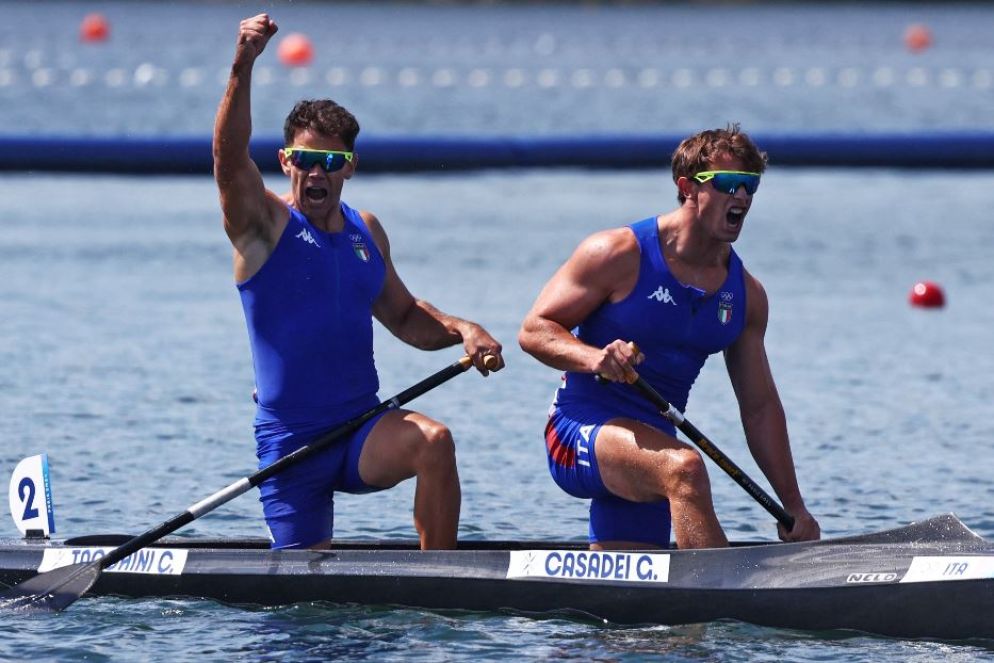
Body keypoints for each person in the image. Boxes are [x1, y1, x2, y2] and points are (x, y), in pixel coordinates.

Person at [213, 14, 504, 551]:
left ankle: (439, 580)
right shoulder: (264, 228)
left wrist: (464, 329)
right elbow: (229, 160)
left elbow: (405, 316)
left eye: (331, 161)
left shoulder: (365, 231)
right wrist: (242, 66)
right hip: (292, 444)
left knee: (434, 442)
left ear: (350, 167)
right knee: (304, 597)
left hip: (360, 429)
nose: (316, 173)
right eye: (305, 160)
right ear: (285, 161)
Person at [518, 125, 819, 550]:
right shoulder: (618, 253)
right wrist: (594, 358)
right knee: (686, 470)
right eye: (727, 183)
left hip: (653, 448)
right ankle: (722, 592)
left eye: (749, 185)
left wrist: (794, 505)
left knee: (626, 583)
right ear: (687, 188)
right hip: (577, 431)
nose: (741, 196)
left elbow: (759, 408)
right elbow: (534, 329)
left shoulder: (746, 296)